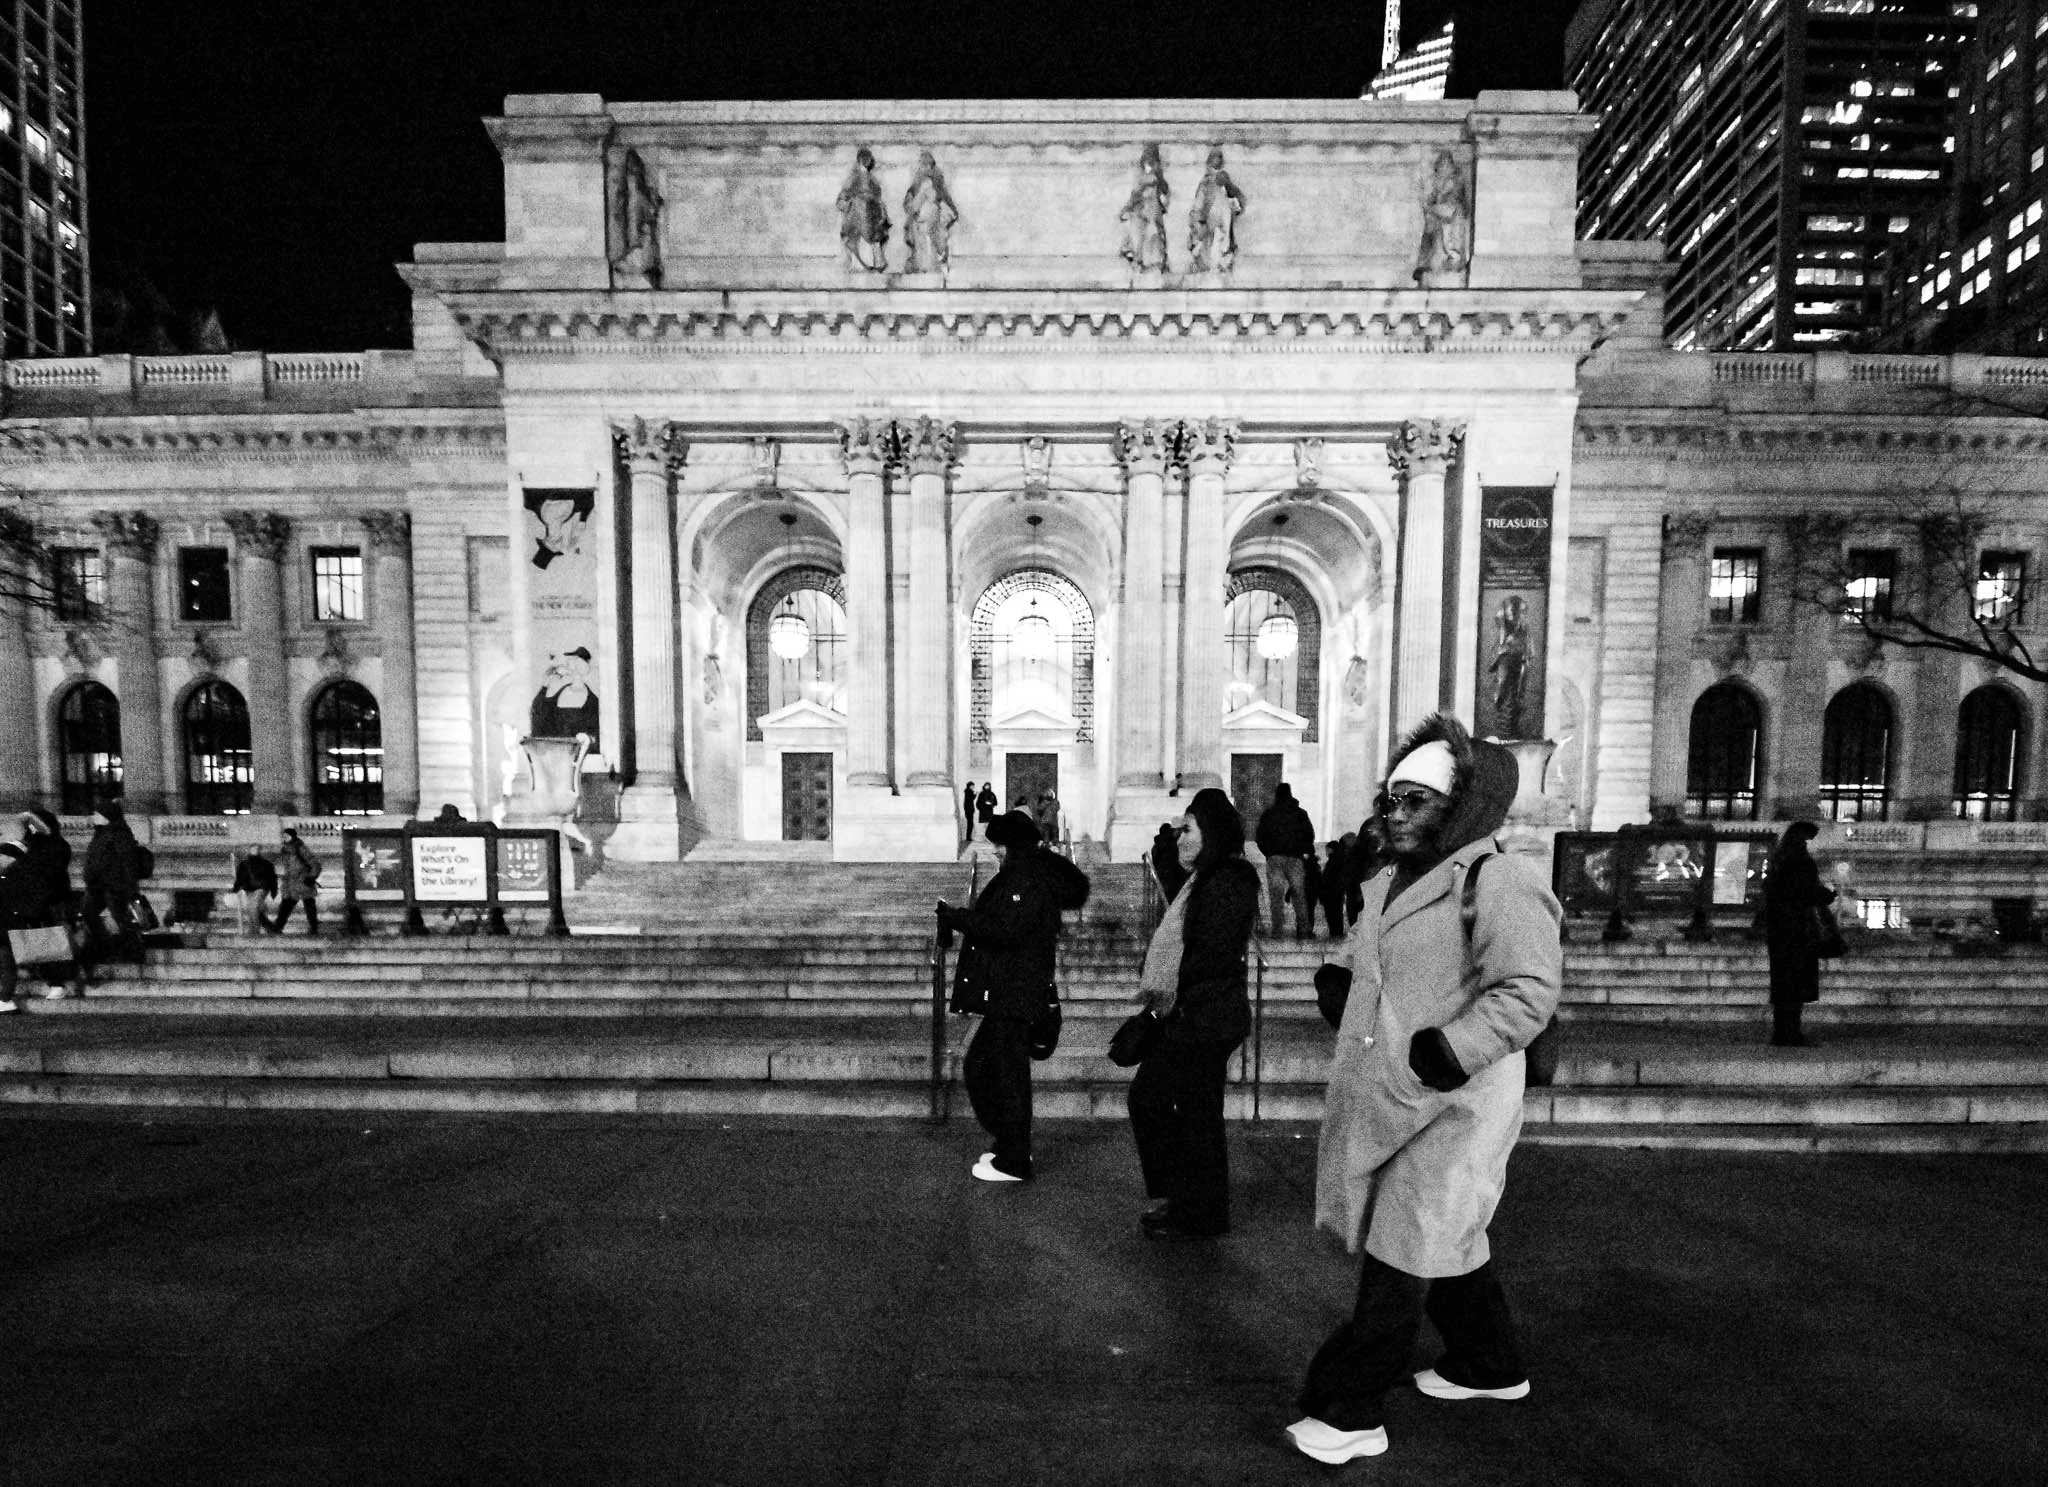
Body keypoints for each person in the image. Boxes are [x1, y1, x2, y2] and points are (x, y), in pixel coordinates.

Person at [1290, 715, 1560, 1468]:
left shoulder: (1499, 877)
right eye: (1392, 801)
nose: (1398, 816)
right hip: (1402, 1088)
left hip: (1460, 1100)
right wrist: (1345, 980)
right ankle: (1488, 1362)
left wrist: (1452, 1049)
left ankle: (1349, 1407)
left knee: (1405, 1241)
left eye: (1418, 802)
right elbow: (1382, 958)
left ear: (1460, 805)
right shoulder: (1390, 880)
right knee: (1446, 1235)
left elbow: (1529, 988)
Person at [1127, 786, 1259, 1240]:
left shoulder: (1229, 880)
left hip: (1204, 1017)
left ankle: (1193, 1209)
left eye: (1188, 829)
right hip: (1194, 1013)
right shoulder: (1203, 879)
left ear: (1212, 834)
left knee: (1175, 1106)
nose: (1182, 837)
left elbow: (1210, 952)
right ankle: (1193, 1205)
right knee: (1187, 1110)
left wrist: (1169, 1003)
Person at [940, 810, 1091, 1182]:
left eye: (999, 845)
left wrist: (958, 918)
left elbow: (1005, 929)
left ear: (1012, 846)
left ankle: (1014, 1157)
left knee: (997, 1072)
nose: (994, 852)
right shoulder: (1025, 875)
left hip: (1015, 991)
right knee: (993, 1069)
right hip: (1010, 991)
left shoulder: (1026, 879)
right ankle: (1010, 1144)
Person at [1764, 821, 1835, 1048]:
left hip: (1779, 931)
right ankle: (1790, 1032)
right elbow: (1807, 892)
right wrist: (1828, 895)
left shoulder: (1779, 861)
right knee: (1796, 984)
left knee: (1784, 984)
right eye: (1807, 840)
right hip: (1798, 930)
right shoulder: (1800, 863)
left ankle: (1782, 1031)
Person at [1, 808, 81, 1003]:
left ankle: (56, 983)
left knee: (47, 943)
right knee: (41, 943)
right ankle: (54, 982)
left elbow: (40, 871)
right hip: (37, 901)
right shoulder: (42, 847)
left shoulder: (51, 847)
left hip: (48, 901)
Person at [80, 800, 147, 969]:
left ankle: (133, 951)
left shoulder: (120, 835)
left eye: (97, 814)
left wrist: (130, 888)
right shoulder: (100, 834)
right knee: (88, 914)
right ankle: (104, 946)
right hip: (97, 886)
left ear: (106, 817)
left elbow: (128, 862)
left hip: (115, 886)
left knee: (122, 919)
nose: (94, 817)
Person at [1255, 781, 1317, 939]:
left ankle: (1277, 930)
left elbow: (1260, 836)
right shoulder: (1300, 813)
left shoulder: (1269, 814)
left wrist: (1268, 853)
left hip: (1275, 858)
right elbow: (1309, 834)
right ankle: (1304, 929)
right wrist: (1304, 851)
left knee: (1276, 897)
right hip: (1295, 858)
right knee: (1299, 895)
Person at [901, 149, 959, 274]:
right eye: (922, 165)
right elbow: (912, 202)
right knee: (928, 243)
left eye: (926, 165)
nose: (924, 168)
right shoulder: (925, 183)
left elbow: (916, 204)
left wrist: (911, 213)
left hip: (929, 219)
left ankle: (928, 267)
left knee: (927, 243)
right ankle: (930, 266)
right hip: (928, 220)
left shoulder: (927, 183)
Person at [268, 828, 322, 936]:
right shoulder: (285, 849)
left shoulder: (300, 848)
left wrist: (310, 878)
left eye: (287, 836)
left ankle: (313, 928)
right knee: (286, 906)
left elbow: (315, 864)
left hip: (302, 882)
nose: (284, 838)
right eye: (283, 836)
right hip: (291, 884)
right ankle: (278, 926)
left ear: (293, 836)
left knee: (308, 906)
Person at [232, 848, 278, 934]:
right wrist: (236, 888)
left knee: (254, 908)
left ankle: (254, 930)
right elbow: (240, 877)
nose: (255, 851)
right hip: (250, 889)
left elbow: (272, 877)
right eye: (253, 849)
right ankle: (270, 927)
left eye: (256, 849)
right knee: (255, 909)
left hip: (261, 888)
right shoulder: (245, 864)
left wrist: (273, 890)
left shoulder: (265, 863)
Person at [1317, 838, 1350, 940]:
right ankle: (1337, 933)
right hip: (1338, 892)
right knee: (1337, 914)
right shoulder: (1341, 860)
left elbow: (1327, 879)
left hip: (1330, 893)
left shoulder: (1332, 862)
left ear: (1331, 849)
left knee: (1332, 915)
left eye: (1327, 849)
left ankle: (1335, 934)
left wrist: (1322, 893)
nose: (1326, 852)